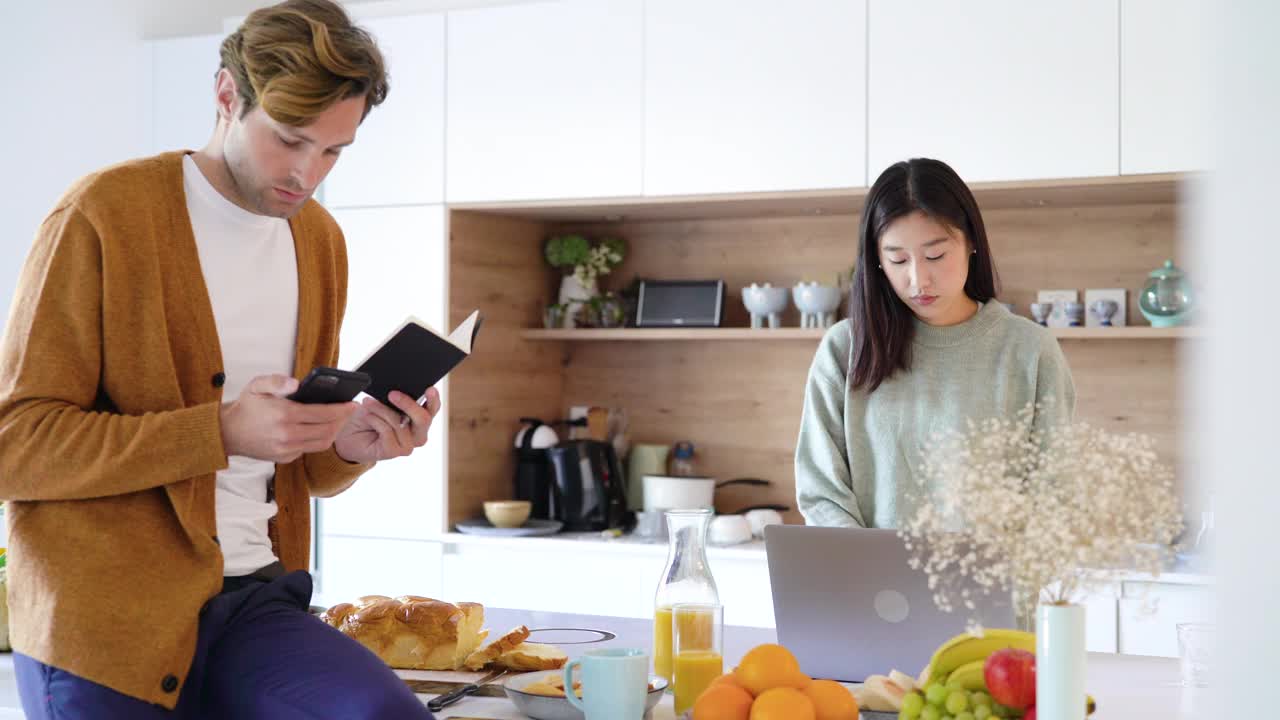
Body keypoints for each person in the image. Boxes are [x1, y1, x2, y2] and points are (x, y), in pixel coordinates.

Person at [0, 2, 440, 717]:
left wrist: (353, 446)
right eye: (289, 140)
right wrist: (220, 431)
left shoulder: (318, 241)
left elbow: (299, 465)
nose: (307, 174)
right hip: (108, 623)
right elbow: (15, 445)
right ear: (227, 95)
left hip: (253, 600)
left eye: (334, 151)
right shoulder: (103, 215)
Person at [795, 158, 1075, 529]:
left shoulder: (1030, 350)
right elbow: (821, 492)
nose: (918, 280)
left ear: (971, 241)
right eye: (897, 259)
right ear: (876, 260)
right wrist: (867, 573)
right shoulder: (845, 348)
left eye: (935, 256)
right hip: (870, 584)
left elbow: (1051, 494)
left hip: (988, 585)